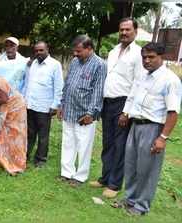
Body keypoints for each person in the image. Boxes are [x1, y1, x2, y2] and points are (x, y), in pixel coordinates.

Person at [112, 42, 182, 216]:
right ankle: (129, 199)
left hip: (153, 129)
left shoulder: (170, 80)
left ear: (162, 57)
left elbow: (173, 112)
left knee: (147, 169)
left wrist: (163, 138)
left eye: (151, 57)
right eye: (144, 57)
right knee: (131, 165)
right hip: (135, 125)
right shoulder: (142, 76)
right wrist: (125, 113)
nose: (147, 61)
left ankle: (141, 206)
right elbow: (132, 96)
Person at [90, 18, 145, 198]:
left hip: (123, 104)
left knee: (119, 145)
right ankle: (105, 178)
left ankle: (114, 184)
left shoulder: (138, 53)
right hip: (108, 102)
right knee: (108, 143)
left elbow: (138, 84)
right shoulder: (113, 51)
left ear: (135, 31)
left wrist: (126, 111)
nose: (123, 33)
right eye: (121, 29)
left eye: (127, 30)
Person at [58, 35, 107, 186]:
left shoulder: (100, 64)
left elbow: (98, 91)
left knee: (84, 145)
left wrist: (91, 113)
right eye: (75, 51)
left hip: (85, 114)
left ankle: (80, 176)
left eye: (79, 51)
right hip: (69, 109)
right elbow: (67, 84)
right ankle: (67, 173)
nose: (75, 54)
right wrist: (62, 105)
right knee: (68, 142)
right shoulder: (74, 62)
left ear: (89, 48)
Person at [24, 41, 63, 167]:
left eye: (41, 50)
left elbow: (58, 86)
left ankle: (41, 160)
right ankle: (25, 155)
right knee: (29, 133)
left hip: (45, 107)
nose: (38, 53)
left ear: (47, 49)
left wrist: (55, 105)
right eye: (36, 51)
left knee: (43, 135)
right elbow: (27, 83)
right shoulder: (32, 64)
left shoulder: (55, 65)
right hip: (30, 105)